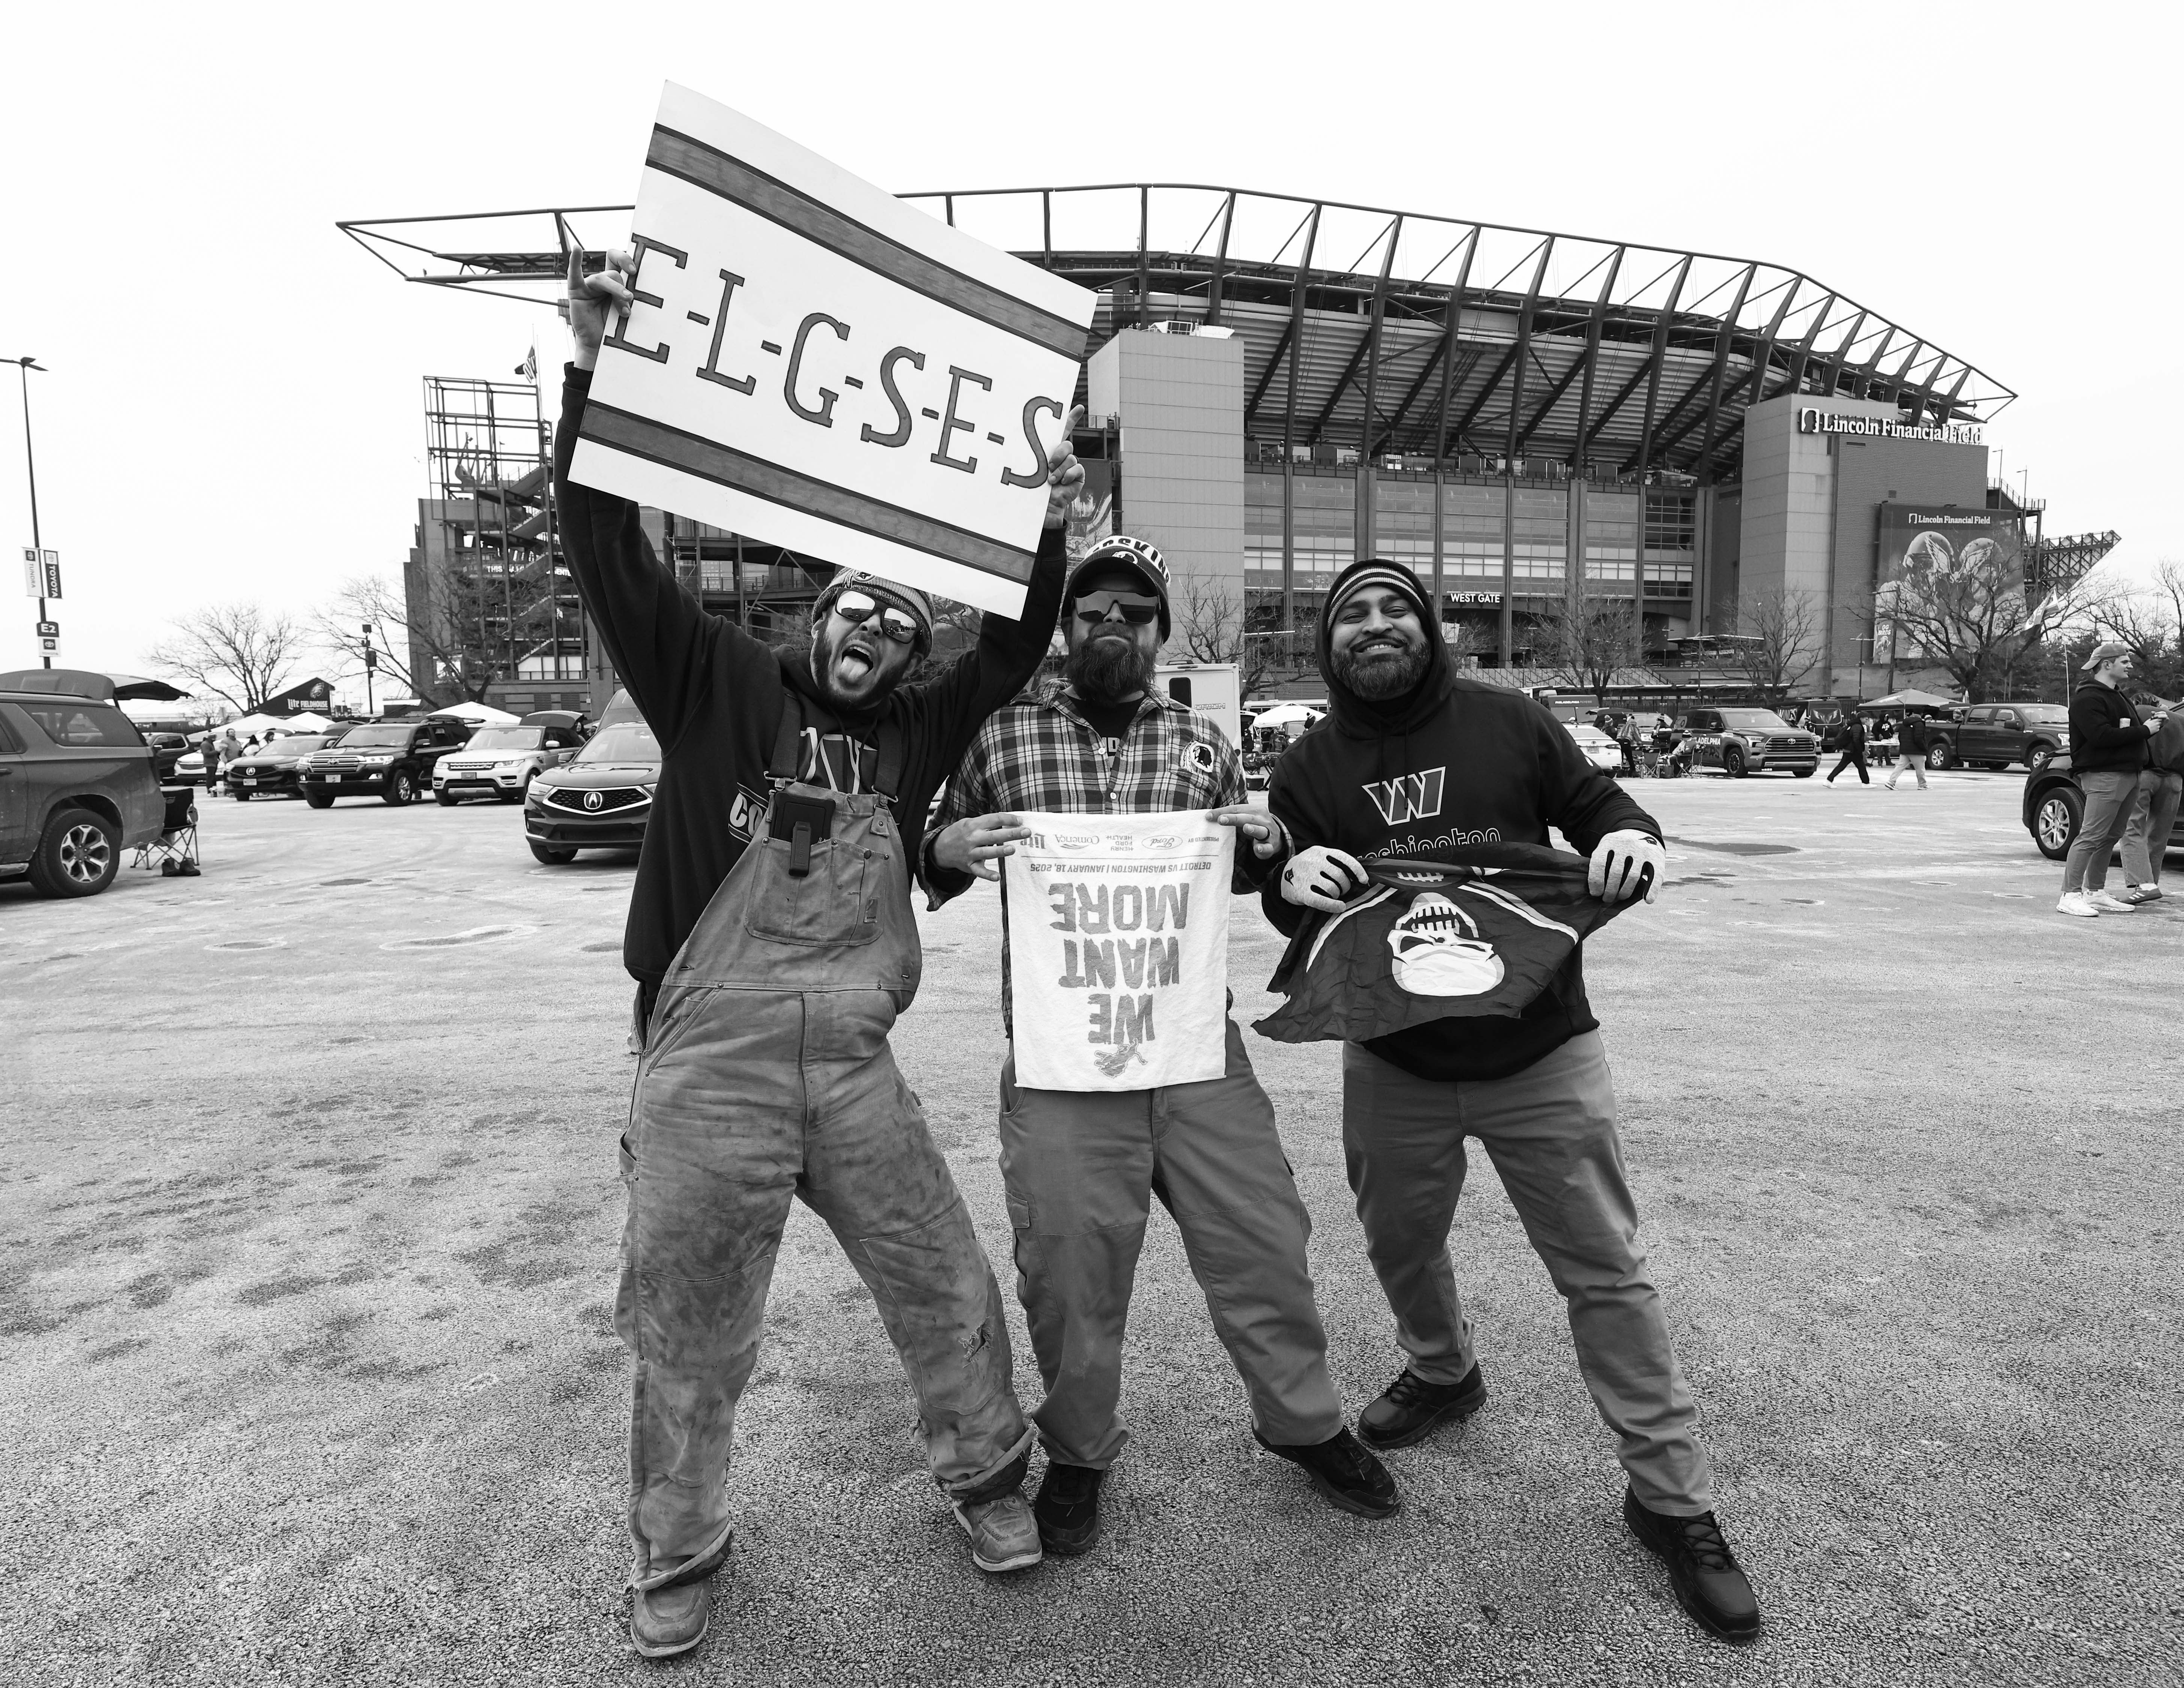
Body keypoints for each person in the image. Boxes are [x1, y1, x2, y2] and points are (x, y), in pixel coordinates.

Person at [558, 248, 1081, 1658]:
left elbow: (1023, 632)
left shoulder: (922, 727)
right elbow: (608, 544)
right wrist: (595, 372)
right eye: (855, 608)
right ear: (815, 617)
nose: (871, 632)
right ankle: (676, 1548)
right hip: (706, 1068)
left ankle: (987, 1477)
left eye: (898, 623)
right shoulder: (712, 678)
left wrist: (1039, 515)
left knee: (943, 1278)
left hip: (853, 1063)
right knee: (689, 1326)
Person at [1263, 558, 1761, 1645]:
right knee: (1398, 1244)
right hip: (1392, 1059)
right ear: (1328, 646)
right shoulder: (1305, 764)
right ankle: (1443, 1370)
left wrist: (1633, 838)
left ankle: (1670, 1500)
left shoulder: (1509, 721)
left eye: (1395, 608)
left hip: (1542, 1054)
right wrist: (1281, 885)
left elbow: (1601, 807)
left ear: (1429, 628)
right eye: (1353, 615)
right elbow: (1297, 898)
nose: (1375, 626)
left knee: (1606, 1275)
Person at [924, 536, 1398, 1559]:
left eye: (1132, 612)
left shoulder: (1201, 744)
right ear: (1067, 625)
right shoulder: (1003, 738)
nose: (1110, 624)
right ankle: (1082, 1450)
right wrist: (944, 846)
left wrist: (1260, 845)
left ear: (1156, 631)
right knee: (1069, 1267)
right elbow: (936, 838)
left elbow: (1228, 869)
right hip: (1062, 1057)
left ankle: (1306, 1423)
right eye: (1091, 607)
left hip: (1192, 1049)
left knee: (1265, 1241)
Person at [2058, 644, 2167, 918]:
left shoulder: (2116, 695)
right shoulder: (2087, 698)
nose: (2130, 665)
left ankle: (2094, 892)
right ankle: (2069, 895)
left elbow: (2121, 730)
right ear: (2106, 664)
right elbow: (2101, 737)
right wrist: (2144, 730)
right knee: (2091, 835)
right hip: (2104, 775)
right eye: (2124, 661)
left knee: (2110, 836)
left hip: (2128, 774)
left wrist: (2146, 728)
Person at [2120, 695, 2184, 902]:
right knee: (2159, 836)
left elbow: (2128, 742)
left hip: (2146, 776)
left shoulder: (2139, 713)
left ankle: (2143, 884)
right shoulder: (2179, 719)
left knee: (2133, 828)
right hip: (2175, 780)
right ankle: (2151, 885)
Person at [1884, 712, 1928, 791]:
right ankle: (1922, 785)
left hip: (1905, 750)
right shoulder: (1919, 724)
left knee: (1900, 767)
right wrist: (1924, 748)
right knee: (1920, 769)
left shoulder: (1904, 725)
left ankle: (1891, 782)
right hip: (1917, 751)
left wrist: (1903, 746)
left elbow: (1900, 737)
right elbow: (1919, 738)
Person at [1827, 710, 1870, 785]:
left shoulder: (1852, 725)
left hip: (1848, 750)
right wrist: (1859, 750)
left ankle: (1829, 780)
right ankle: (1866, 783)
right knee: (1861, 767)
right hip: (1853, 751)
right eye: (1866, 719)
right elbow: (1856, 739)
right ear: (1861, 719)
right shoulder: (1857, 726)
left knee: (1842, 766)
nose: (1867, 721)